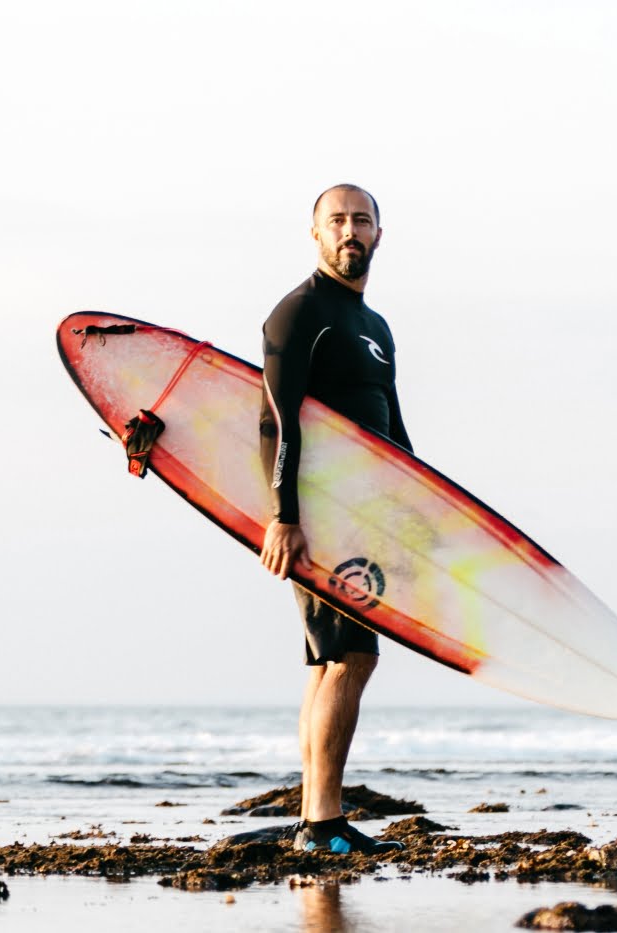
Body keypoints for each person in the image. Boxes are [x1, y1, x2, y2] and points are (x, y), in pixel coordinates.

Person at [256, 184, 409, 855]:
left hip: (370, 516)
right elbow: (277, 422)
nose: (350, 230)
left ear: (379, 233)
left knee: (328, 660)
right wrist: (284, 516)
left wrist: (419, 512)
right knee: (352, 655)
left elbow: (394, 430)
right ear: (315, 234)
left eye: (362, 220)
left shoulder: (374, 327)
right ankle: (322, 821)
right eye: (337, 220)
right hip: (323, 512)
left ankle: (318, 818)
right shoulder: (298, 314)